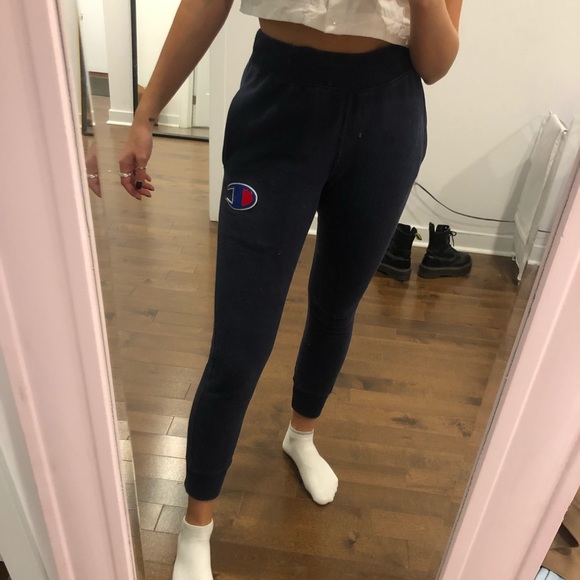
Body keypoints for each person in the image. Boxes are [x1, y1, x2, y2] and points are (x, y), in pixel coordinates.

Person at [119, 1, 463, 578]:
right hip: (278, 105)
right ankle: (196, 522)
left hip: (387, 115)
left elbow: (437, 63)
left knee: (336, 304)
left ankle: (302, 434)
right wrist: (145, 113)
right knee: (239, 341)